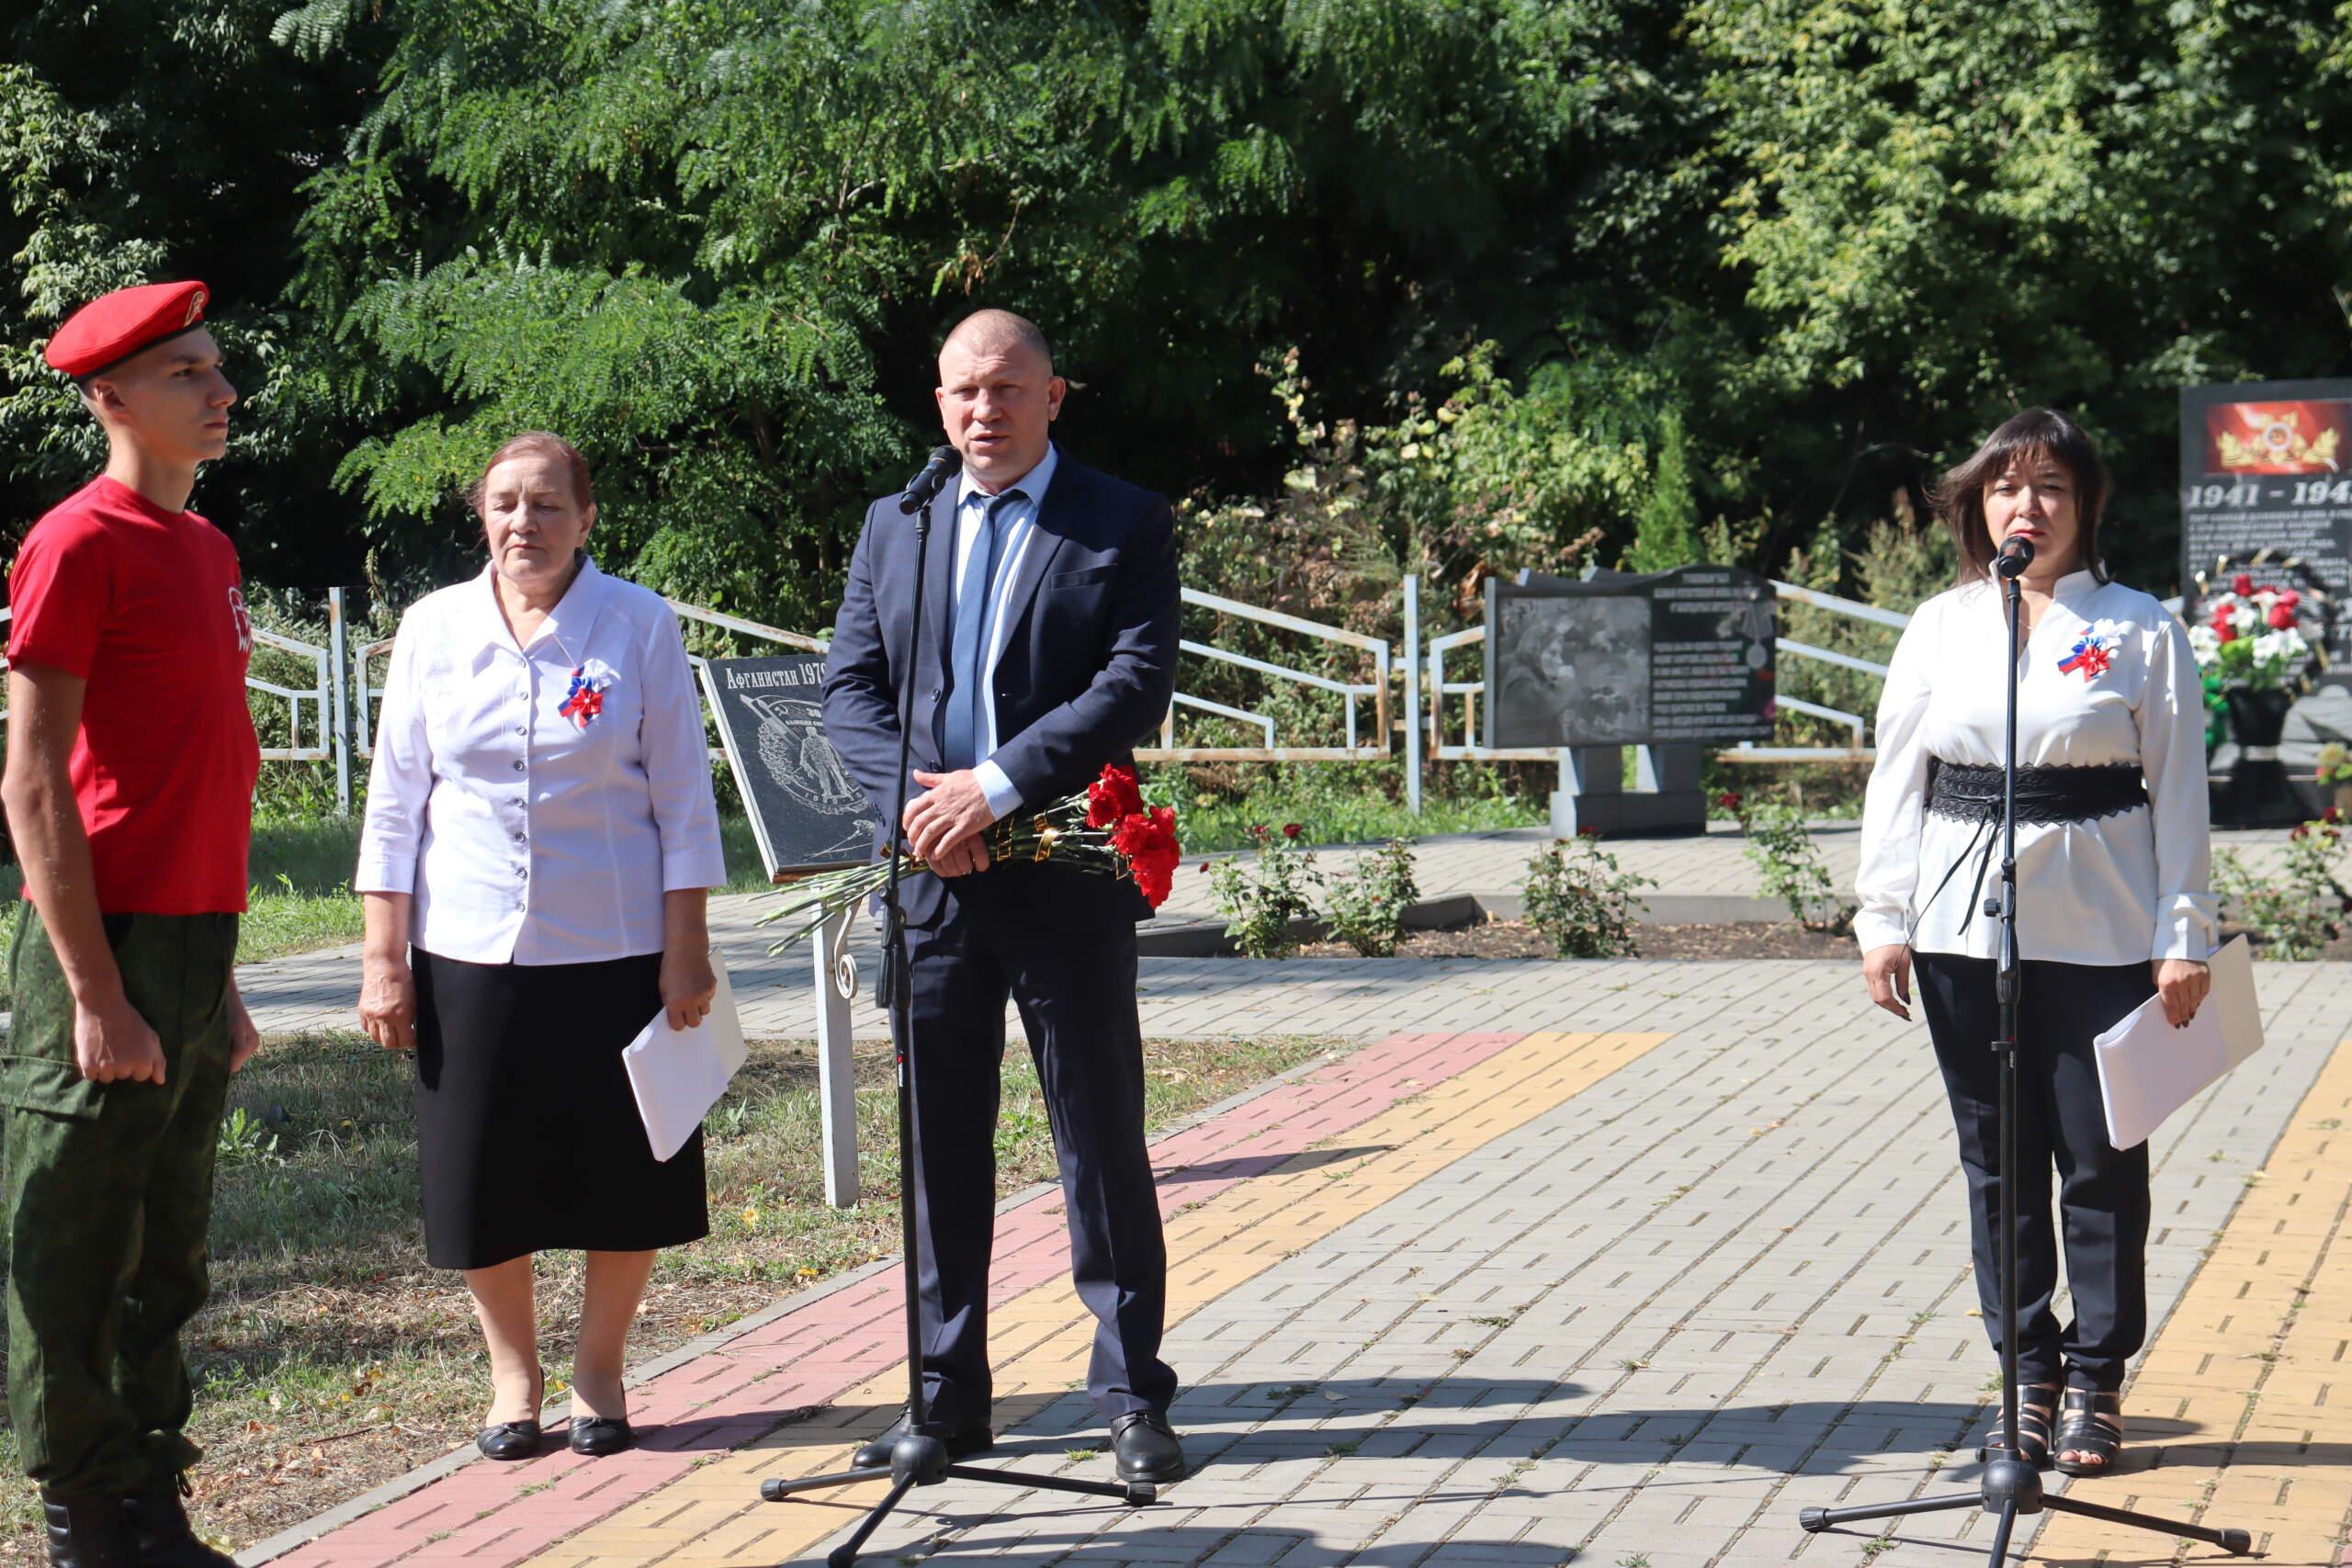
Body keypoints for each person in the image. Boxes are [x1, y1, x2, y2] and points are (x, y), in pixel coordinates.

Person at [821, 310, 1186, 1483]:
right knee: (937, 1147)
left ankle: (1131, 1394)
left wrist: (991, 788)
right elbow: (850, 692)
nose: (985, 410)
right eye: (964, 391)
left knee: (1097, 1139)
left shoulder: (1118, 521)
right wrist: (925, 816)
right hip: (935, 884)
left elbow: (1134, 681)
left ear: (1053, 397)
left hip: (1061, 871)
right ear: (939, 403)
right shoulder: (899, 521)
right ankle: (944, 1398)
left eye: (1009, 389)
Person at [1854, 408, 2214, 1479]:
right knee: (1996, 1165)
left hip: (2105, 939)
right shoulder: (1940, 625)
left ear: (2086, 505)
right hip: (1965, 937)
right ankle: (2025, 1374)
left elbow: (2182, 793)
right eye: (2006, 489)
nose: (2028, 506)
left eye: (2050, 487)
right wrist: (1882, 920)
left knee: (2102, 1166)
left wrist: (2182, 933)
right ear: (1977, 507)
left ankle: (2096, 1382)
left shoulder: (2142, 627)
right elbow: (1897, 782)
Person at [354, 433, 726, 1461]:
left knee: (626, 1169)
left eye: (549, 505)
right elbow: (395, 804)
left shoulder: (638, 623)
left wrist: (684, 945)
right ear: (483, 515)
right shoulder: (433, 628)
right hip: (467, 948)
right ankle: (511, 1375)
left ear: (586, 518)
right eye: (506, 503)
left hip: (614, 945)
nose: (526, 523)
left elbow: (682, 799)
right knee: (480, 1172)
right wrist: (385, 958)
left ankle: (598, 1368)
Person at [1, 280, 260, 1568]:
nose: (220, 390)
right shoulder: (75, 541)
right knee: (75, 1248)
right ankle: (85, 1521)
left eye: (217, 367)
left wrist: (222, 981)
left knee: (170, 1243)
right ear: (111, 399)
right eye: (185, 375)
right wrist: (96, 988)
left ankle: (155, 1502)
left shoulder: (205, 550)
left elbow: (206, 770)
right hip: (101, 941)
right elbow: (33, 776)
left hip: (193, 940)